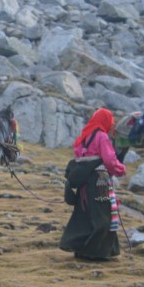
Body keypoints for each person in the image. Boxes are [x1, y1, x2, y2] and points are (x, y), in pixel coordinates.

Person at [60, 108, 127, 261]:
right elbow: (109, 161)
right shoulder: (101, 136)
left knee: (85, 213)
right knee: (104, 214)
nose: (112, 123)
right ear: (104, 120)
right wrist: (121, 169)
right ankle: (97, 252)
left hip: (84, 181)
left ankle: (81, 249)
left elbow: (79, 159)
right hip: (100, 178)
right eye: (110, 120)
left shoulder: (83, 137)